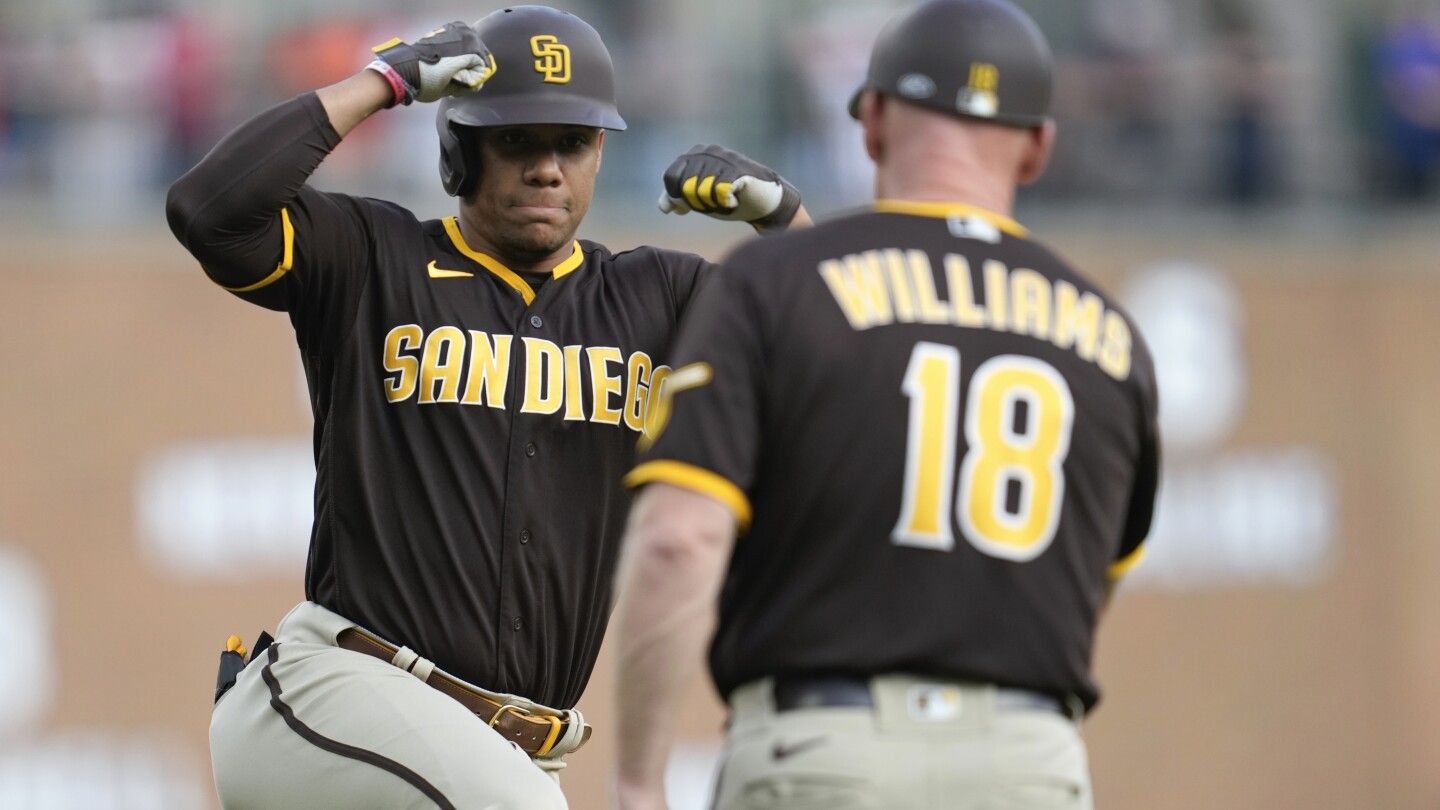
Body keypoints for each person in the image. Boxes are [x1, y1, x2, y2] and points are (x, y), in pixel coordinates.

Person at [164, 6, 808, 809]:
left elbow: (838, 353)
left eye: (570, 143)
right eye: (517, 140)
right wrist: (382, 84)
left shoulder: (660, 299)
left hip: (517, 754)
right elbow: (209, 208)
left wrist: (786, 223)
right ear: (456, 151)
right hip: (342, 691)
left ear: (600, 152)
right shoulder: (373, 259)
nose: (547, 168)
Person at [612, 1, 1160, 808]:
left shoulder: (774, 284)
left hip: (826, 754)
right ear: (1039, 146)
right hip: (1029, 764)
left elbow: (678, 541)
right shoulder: (1113, 340)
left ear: (872, 120)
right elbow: (1087, 587)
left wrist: (636, 781)